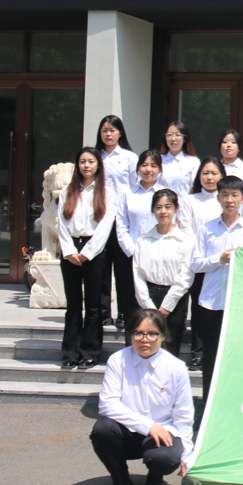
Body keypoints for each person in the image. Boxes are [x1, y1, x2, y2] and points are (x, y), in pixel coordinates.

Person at [91, 308, 194, 485]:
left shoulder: (176, 367)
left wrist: (187, 454)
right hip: (127, 431)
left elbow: (184, 414)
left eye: (152, 333)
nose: (144, 339)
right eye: (138, 333)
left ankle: (155, 475)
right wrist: (148, 426)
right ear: (131, 335)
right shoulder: (117, 361)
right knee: (102, 429)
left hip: (163, 432)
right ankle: (122, 484)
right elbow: (107, 404)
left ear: (162, 336)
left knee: (165, 459)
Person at [190, 176, 243, 392]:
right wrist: (219, 259)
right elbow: (195, 264)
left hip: (240, 303)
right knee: (211, 357)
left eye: (234, 195)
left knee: (240, 357)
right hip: (211, 302)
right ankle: (207, 404)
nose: (229, 200)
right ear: (218, 198)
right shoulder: (207, 229)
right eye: (224, 195)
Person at [57, 147, 114, 370]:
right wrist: (69, 251)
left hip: (95, 250)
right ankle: (70, 353)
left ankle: (89, 352)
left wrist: (88, 252)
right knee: (73, 304)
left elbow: (105, 226)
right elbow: (61, 224)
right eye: (82, 161)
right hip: (70, 249)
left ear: (98, 165)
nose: (86, 165)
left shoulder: (106, 192)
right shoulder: (67, 191)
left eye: (91, 161)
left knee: (93, 305)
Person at [115, 151, 172, 338]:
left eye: (154, 165)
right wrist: (132, 251)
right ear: (138, 168)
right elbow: (121, 225)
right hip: (131, 256)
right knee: (132, 306)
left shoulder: (166, 195)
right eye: (144, 165)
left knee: (154, 307)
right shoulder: (127, 194)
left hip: (159, 257)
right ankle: (132, 346)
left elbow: (172, 224)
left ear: (160, 169)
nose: (149, 169)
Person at [178, 157, 226, 372]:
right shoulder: (190, 200)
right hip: (198, 261)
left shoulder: (226, 199)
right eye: (205, 173)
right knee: (198, 308)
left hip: (222, 262)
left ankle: (217, 350)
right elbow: (187, 230)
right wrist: (200, 255)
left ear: (222, 176)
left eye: (214, 173)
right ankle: (197, 352)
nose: (209, 177)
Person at [132, 189, 194, 358]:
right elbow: (138, 274)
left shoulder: (186, 241)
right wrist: (148, 306)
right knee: (147, 347)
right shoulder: (143, 241)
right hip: (149, 296)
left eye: (168, 206)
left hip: (175, 298)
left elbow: (186, 276)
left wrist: (166, 307)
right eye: (158, 207)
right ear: (153, 209)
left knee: (170, 349)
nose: (163, 211)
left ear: (176, 209)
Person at [97, 115, 136, 329]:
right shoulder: (96, 157)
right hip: (100, 218)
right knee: (102, 266)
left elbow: (134, 186)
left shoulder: (129, 157)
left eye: (112, 130)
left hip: (122, 218)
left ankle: (124, 312)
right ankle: (103, 312)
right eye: (104, 130)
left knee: (123, 268)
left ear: (120, 133)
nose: (108, 134)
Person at [159, 121, 200, 198]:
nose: (173, 139)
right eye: (169, 135)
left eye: (177, 135)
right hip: (161, 204)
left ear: (184, 138)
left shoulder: (193, 162)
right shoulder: (159, 160)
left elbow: (195, 188)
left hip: (183, 204)